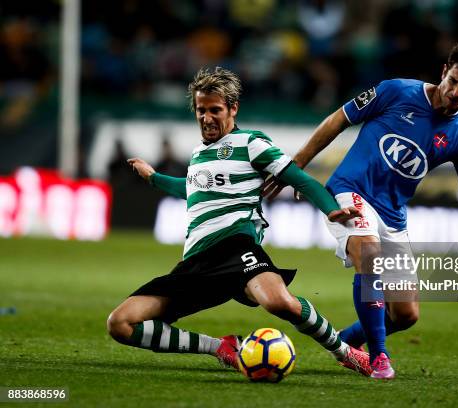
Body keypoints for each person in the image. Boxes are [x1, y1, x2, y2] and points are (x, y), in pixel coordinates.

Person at [263, 39, 458, 379]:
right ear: (443, 72)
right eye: (452, 81)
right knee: (370, 254)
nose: (455, 91)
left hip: (392, 213)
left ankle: (345, 343)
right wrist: (299, 165)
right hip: (350, 190)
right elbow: (338, 119)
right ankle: (378, 357)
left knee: (406, 315)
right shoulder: (396, 91)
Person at [106, 67, 372, 376]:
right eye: (201, 110)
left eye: (215, 110)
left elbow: (299, 178)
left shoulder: (252, 143)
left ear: (233, 109)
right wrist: (154, 178)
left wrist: (329, 209)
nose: (206, 117)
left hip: (236, 248)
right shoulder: (198, 154)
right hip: (195, 261)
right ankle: (219, 347)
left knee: (278, 303)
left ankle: (344, 351)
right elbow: (191, 190)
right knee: (120, 324)